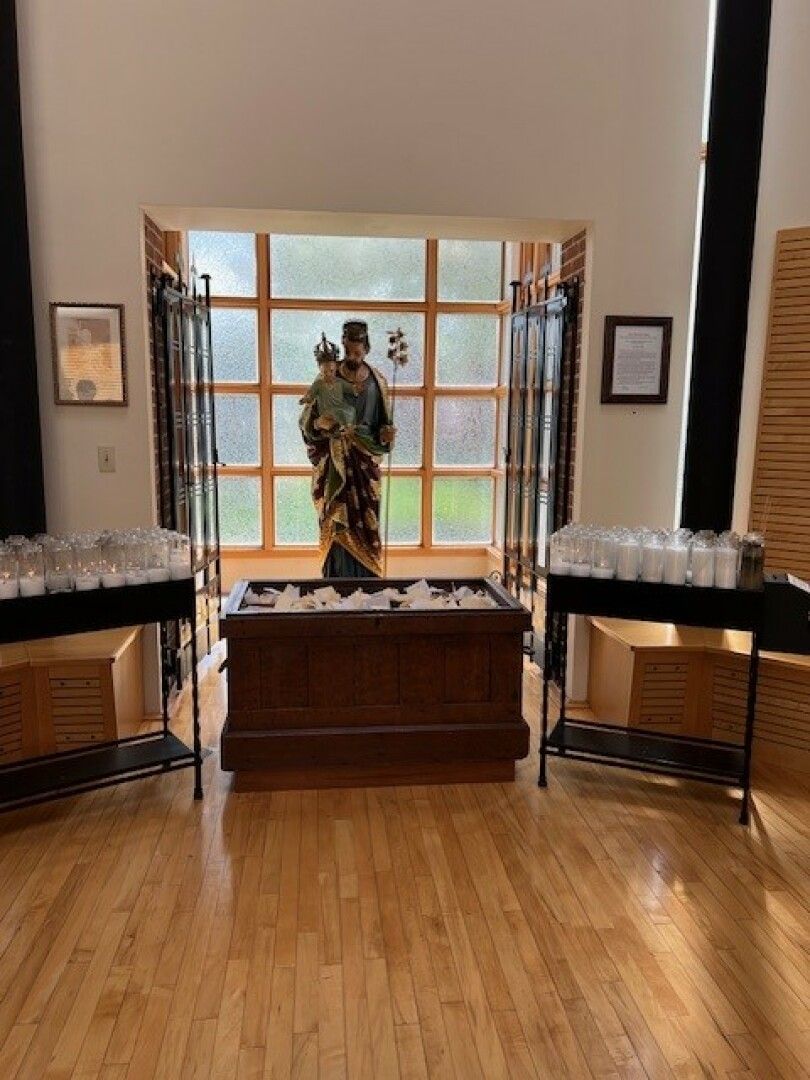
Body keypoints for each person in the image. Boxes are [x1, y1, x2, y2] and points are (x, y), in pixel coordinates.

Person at [300, 320, 396, 577]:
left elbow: (383, 428)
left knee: (366, 523)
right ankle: (336, 580)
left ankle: (368, 581)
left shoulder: (379, 381)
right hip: (335, 462)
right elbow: (307, 420)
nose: (352, 357)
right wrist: (319, 424)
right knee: (337, 520)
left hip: (365, 465)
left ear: (366, 348)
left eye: (357, 352)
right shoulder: (328, 377)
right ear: (342, 345)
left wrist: (387, 436)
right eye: (348, 351)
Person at [299, 334, 356, 431]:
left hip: (343, 412)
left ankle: (346, 426)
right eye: (325, 372)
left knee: (349, 411)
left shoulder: (340, 382)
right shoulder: (319, 383)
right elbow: (306, 424)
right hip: (327, 412)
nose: (329, 375)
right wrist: (317, 424)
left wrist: (355, 389)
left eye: (331, 371)